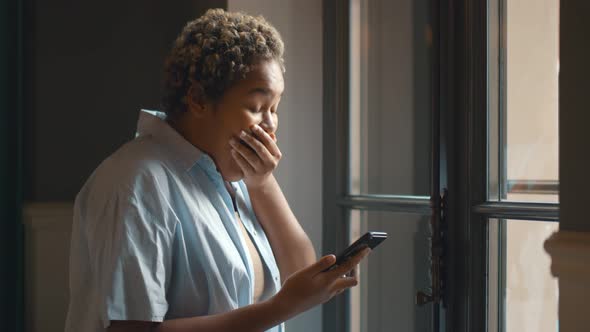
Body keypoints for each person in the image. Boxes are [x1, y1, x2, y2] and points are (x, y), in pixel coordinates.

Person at [64, 8, 370, 332]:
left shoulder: (232, 176)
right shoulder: (135, 185)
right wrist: (281, 307)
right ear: (198, 99)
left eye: (275, 108)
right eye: (256, 107)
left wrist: (262, 181)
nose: (269, 124)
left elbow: (302, 272)